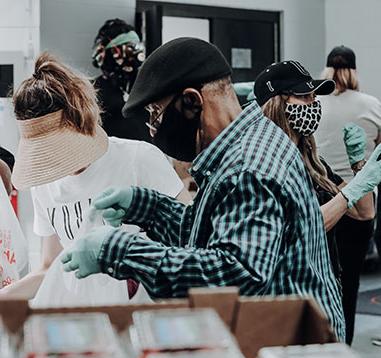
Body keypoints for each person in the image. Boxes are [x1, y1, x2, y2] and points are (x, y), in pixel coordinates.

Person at [61, 38, 345, 340]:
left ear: (191, 102)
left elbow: (232, 275)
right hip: (282, 332)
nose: (153, 128)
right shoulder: (246, 142)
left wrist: (120, 251)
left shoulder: (248, 168)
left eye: (156, 113)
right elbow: (215, 233)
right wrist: (147, 207)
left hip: (292, 348)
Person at [0, 52, 189, 300]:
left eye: (60, 147)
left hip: (144, 311)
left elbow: (189, 236)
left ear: (83, 123)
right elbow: (49, 267)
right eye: (46, 152)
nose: (58, 161)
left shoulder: (138, 160)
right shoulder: (45, 185)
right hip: (85, 317)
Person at [254, 60, 381, 345]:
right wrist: (351, 191)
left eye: (314, 96)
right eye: (304, 96)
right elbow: (305, 225)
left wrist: (359, 164)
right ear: (277, 103)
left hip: (323, 285)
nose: (313, 104)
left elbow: (364, 212)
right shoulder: (266, 163)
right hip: (289, 295)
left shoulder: (313, 160)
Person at [314, 46, 381, 343]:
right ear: (354, 70)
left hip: (322, 195)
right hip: (361, 195)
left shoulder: (315, 102)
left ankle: (320, 339)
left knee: (321, 275)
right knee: (350, 279)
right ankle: (345, 344)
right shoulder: (371, 104)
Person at [92, 18, 151, 142]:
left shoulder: (147, 85)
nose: (136, 52)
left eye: (137, 46)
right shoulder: (93, 90)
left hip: (147, 155)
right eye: (130, 47)